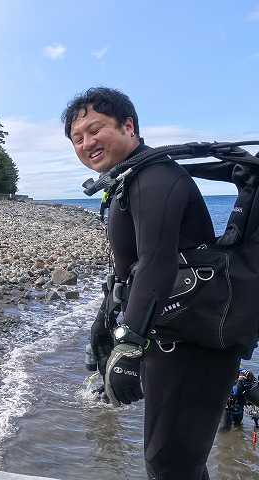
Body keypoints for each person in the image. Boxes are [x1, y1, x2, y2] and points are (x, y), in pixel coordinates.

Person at [63, 87, 241, 479]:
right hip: (171, 334)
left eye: (95, 130)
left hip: (195, 342)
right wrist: (105, 326)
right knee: (171, 461)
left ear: (129, 126)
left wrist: (129, 344)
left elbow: (157, 264)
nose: (87, 143)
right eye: (78, 138)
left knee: (171, 463)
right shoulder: (130, 179)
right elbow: (129, 269)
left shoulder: (155, 176)